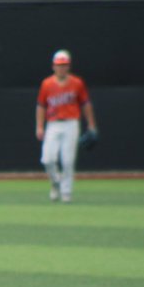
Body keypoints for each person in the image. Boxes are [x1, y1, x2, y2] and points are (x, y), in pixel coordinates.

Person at [36, 49, 98, 203]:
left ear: (68, 66)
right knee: (47, 159)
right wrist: (39, 126)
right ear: (53, 66)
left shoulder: (77, 83)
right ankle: (56, 182)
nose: (61, 68)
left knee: (68, 161)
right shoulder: (47, 84)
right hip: (53, 124)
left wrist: (91, 124)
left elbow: (85, 104)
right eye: (59, 65)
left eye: (64, 65)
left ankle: (66, 192)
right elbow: (41, 106)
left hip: (71, 123)